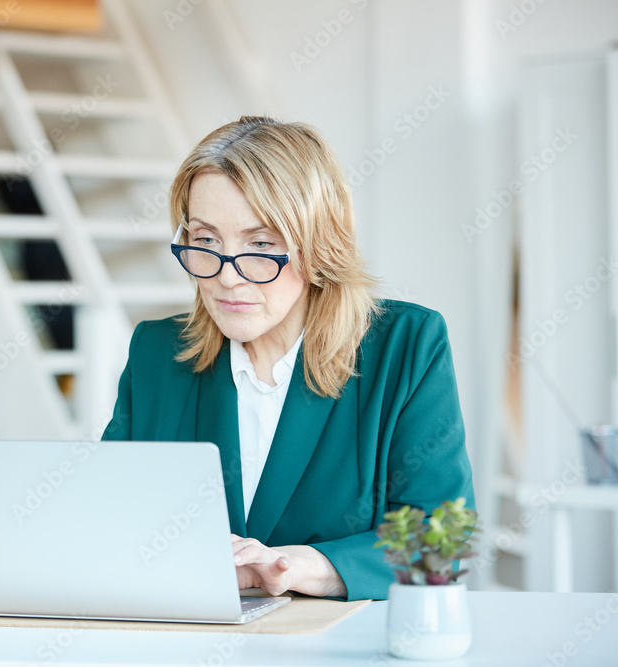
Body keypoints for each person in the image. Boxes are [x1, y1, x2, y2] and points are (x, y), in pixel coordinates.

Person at [101, 116, 475, 601]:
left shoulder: (406, 346)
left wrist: (301, 567)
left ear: (318, 245)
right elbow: (106, 515)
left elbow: (442, 543)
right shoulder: (156, 353)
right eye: (206, 241)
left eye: (260, 245)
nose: (227, 278)